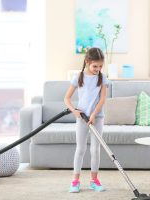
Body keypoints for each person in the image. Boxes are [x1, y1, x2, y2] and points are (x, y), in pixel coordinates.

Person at [64, 47, 109, 193]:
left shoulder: (102, 77)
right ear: (87, 62)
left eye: (100, 66)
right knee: (81, 149)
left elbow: (102, 99)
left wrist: (94, 114)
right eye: (95, 66)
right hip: (82, 118)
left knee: (95, 150)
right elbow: (67, 98)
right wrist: (74, 111)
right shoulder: (79, 77)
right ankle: (75, 181)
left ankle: (94, 180)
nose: (98, 69)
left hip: (97, 118)